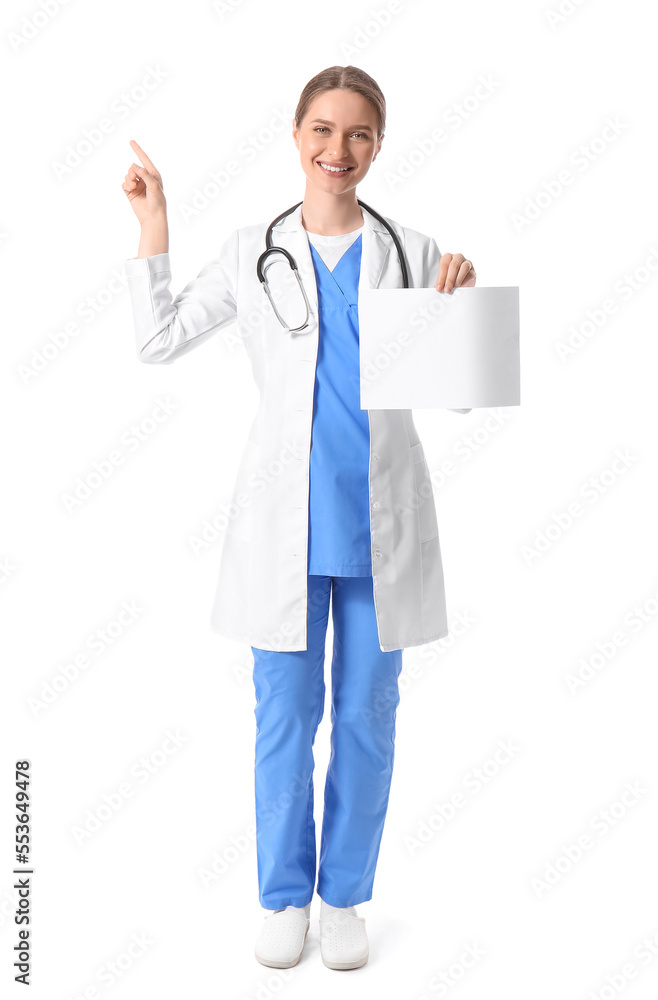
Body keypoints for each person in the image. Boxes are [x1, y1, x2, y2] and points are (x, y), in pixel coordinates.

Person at [122, 64, 476, 972]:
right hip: (282, 529)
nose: (338, 150)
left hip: (377, 529)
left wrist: (460, 316)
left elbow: (461, 398)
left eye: (358, 134)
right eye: (322, 130)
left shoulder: (411, 250)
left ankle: (344, 898)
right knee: (285, 719)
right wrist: (154, 227)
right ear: (294, 135)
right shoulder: (253, 250)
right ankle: (283, 898)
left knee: (366, 715)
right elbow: (158, 340)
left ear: (379, 146)